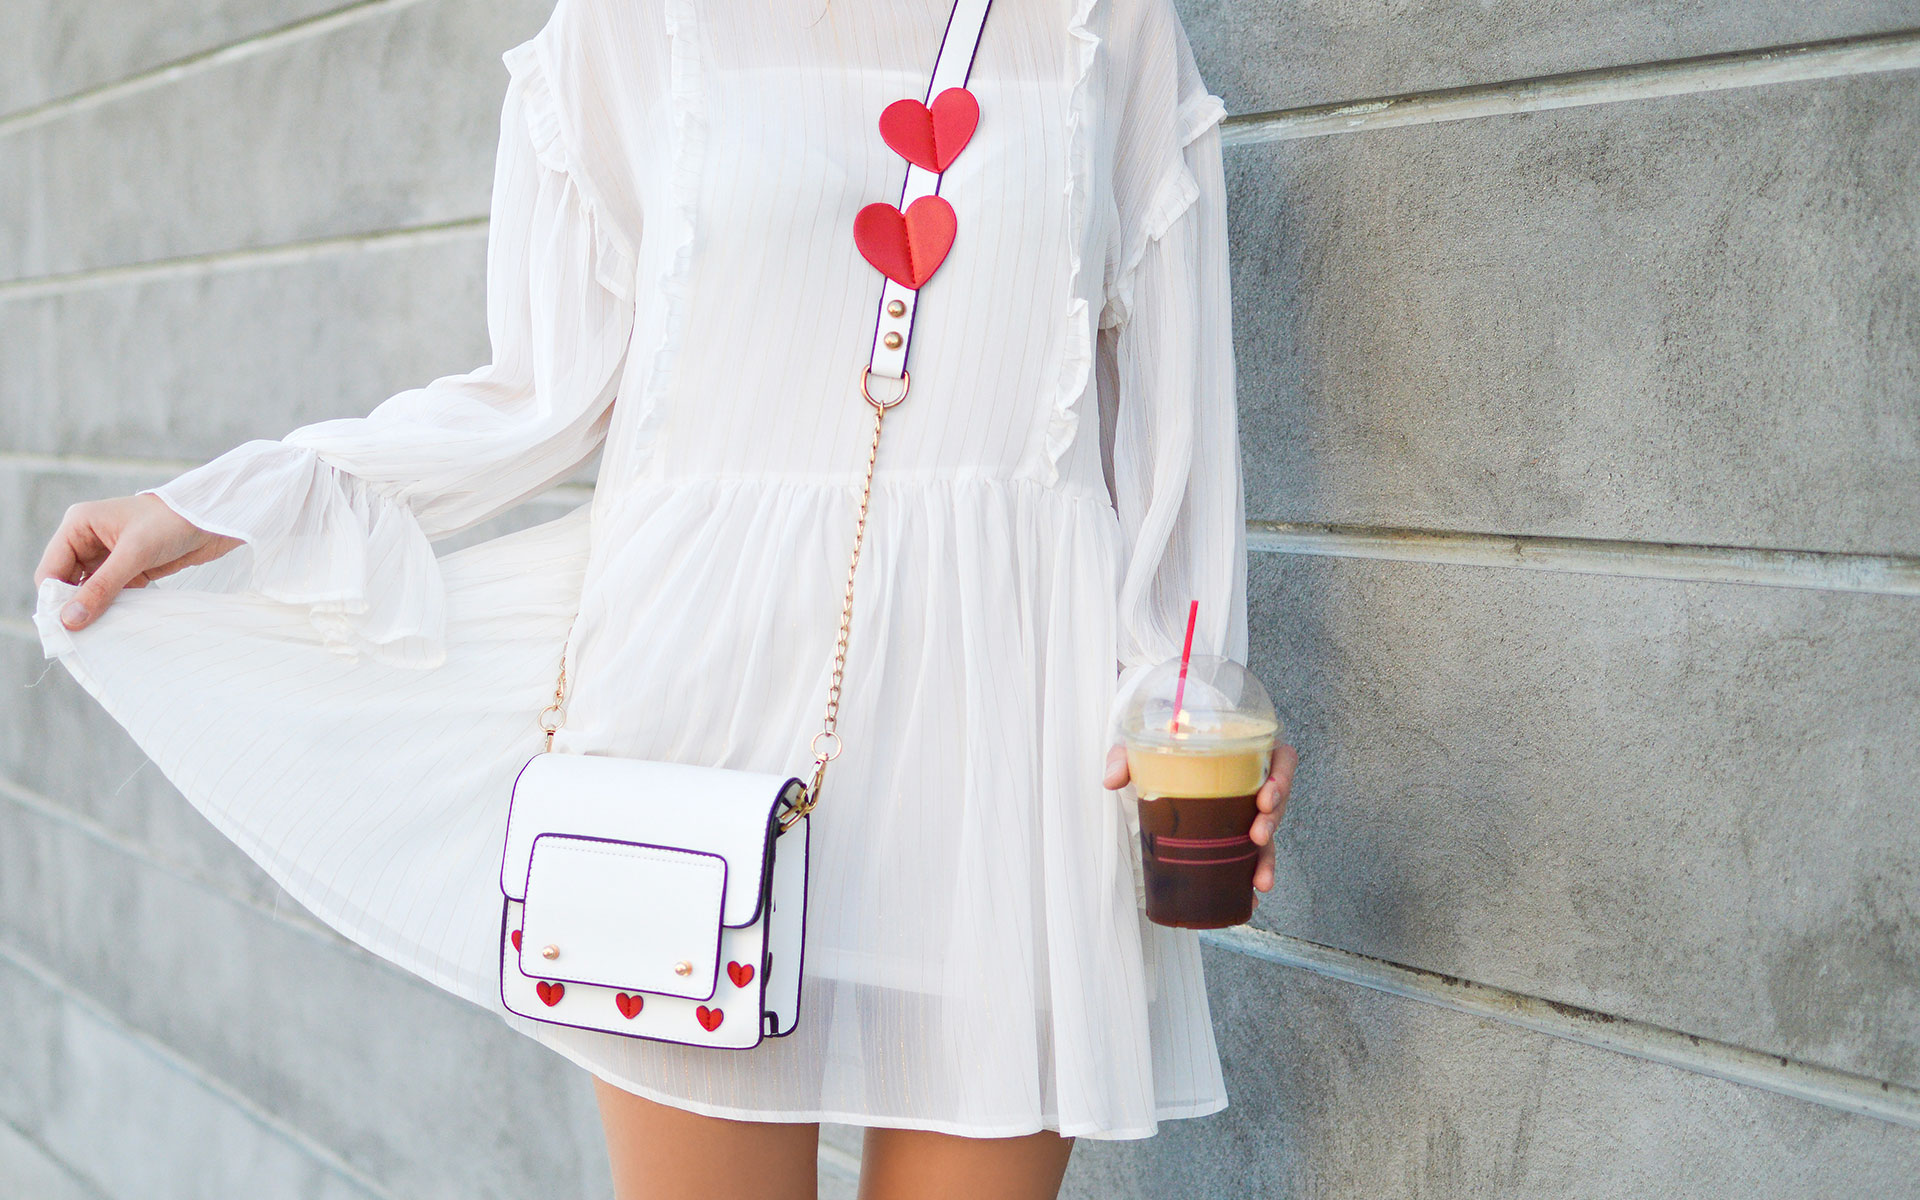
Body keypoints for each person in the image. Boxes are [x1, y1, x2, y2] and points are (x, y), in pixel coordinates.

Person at [31, 0, 1297, 1195]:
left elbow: (1176, 441)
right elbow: (534, 397)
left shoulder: (1102, 25)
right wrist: (231, 505)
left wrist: (1184, 697)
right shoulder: (628, 23)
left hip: (1006, 753)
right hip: (694, 732)